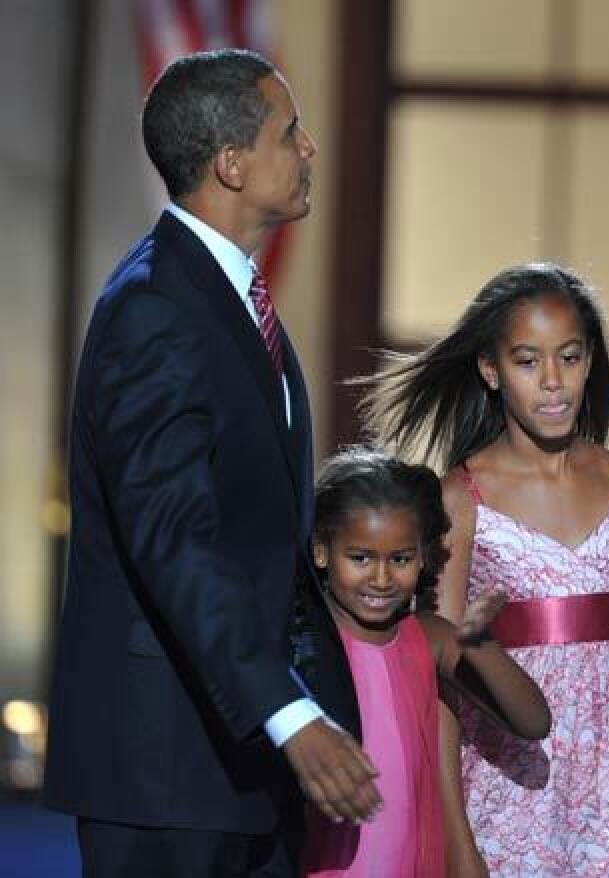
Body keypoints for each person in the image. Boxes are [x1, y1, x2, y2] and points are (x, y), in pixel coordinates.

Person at [43, 49, 380, 877]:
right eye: (290, 132)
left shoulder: (223, 296)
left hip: (240, 766)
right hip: (166, 770)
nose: (308, 150)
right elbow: (174, 542)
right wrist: (285, 712)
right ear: (230, 164)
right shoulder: (155, 308)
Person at [359, 263, 609, 876]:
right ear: (491, 372)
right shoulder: (462, 501)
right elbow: (437, 677)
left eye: (569, 358)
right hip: (509, 775)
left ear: (591, 360)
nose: (553, 382)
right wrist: (453, 833)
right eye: (527, 361)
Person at [302, 448, 551, 878]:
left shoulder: (429, 637)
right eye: (360, 558)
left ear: (422, 557)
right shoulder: (303, 642)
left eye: (399, 559)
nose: (381, 578)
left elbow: (532, 721)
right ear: (322, 552)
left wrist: (478, 643)